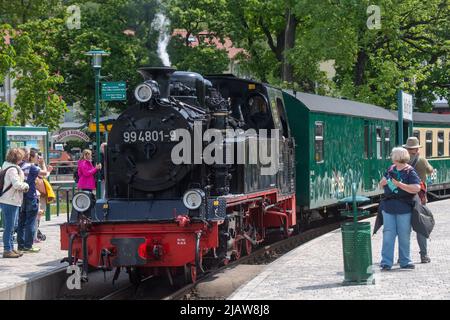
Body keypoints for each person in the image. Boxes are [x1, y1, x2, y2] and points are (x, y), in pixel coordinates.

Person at [379, 147, 421, 270]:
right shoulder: (390, 169)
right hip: (389, 207)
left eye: (392, 155)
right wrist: (384, 182)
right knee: (388, 235)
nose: (391, 157)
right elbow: (381, 183)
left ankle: (405, 261)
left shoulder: (409, 171)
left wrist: (399, 184)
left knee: (404, 235)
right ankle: (386, 262)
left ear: (397, 157)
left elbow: (416, 188)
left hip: (404, 208)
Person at [403, 136, 434, 263]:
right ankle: (424, 255)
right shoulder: (421, 160)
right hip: (419, 198)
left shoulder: (401, 161)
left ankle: (403, 256)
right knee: (420, 226)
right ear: (416, 148)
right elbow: (430, 170)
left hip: (404, 198)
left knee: (405, 228)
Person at [17, 149, 52, 253]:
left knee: (21, 222)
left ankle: (21, 245)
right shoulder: (32, 167)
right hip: (31, 196)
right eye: (37, 156)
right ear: (29, 156)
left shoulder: (19, 167)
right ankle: (28, 246)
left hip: (21, 196)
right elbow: (45, 174)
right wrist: (45, 165)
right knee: (31, 221)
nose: (38, 158)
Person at [0, 148, 29, 258]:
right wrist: (26, 186)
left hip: (11, 200)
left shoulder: (6, 166)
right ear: (18, 158)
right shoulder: (12, 169)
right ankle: (7, 249)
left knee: (12, 226)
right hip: (10, 200)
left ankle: (11, 247)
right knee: (9, 226)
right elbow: (16, 184)